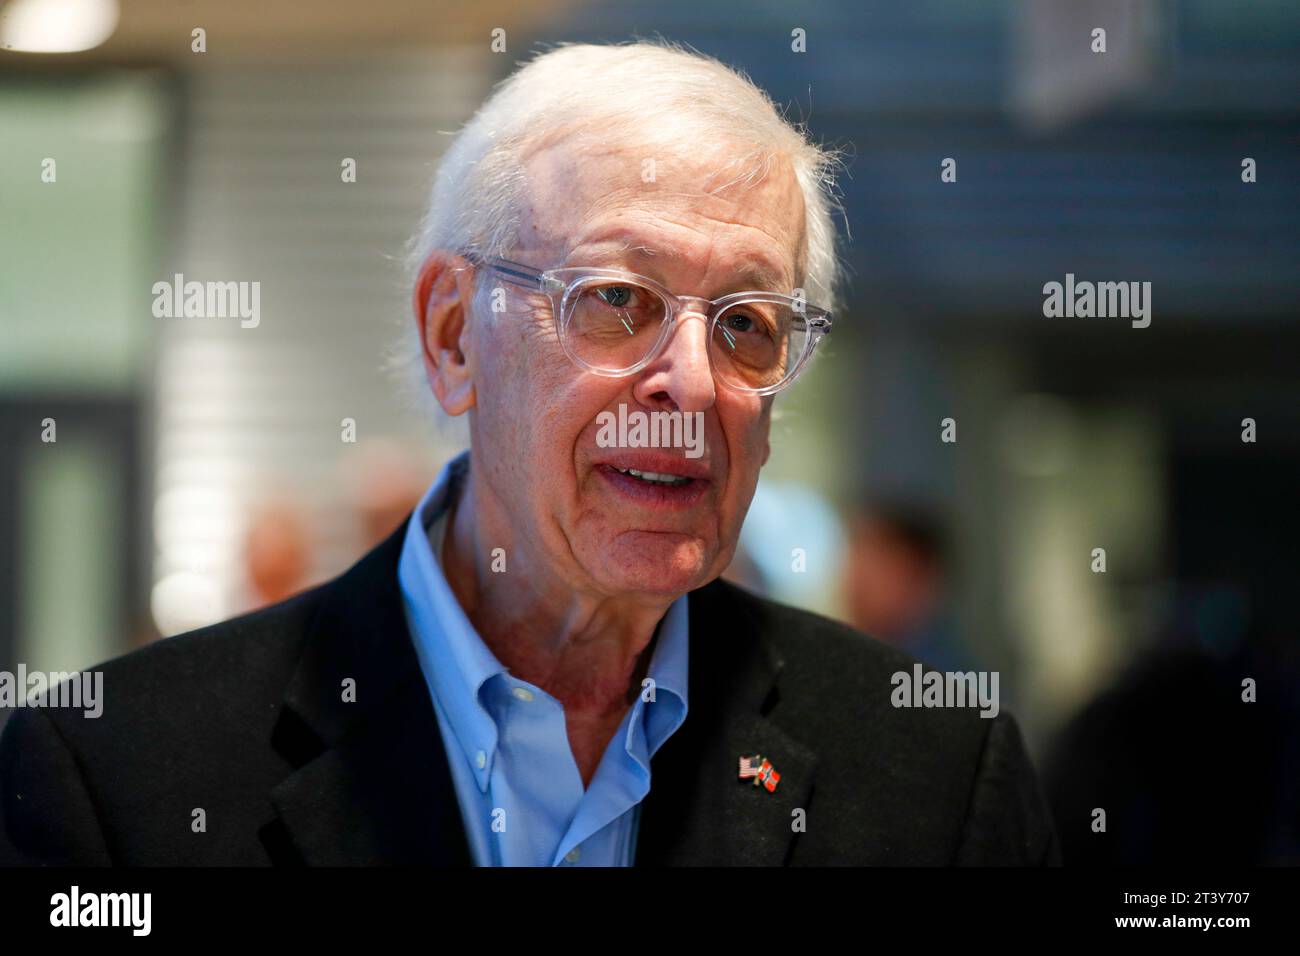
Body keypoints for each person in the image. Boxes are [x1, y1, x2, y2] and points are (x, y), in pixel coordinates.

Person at [0, 40, 1058, 866]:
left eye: (745, 321)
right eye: (614, 300)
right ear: (453, 334)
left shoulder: (934, 776)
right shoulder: (121, 777)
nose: (689, 382)